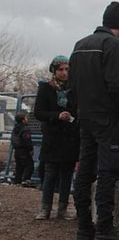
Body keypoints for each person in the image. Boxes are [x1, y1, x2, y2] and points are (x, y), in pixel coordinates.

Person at [67, 1, 119, 240]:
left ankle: (83, 227)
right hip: (107, 119)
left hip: (84, 117)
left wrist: (77, 110)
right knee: (108, 171)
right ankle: (105, 228)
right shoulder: (114, 45)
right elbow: (118, 85)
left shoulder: (79, 45)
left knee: (85, 170)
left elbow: (71, 86)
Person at [33, 55, 79, 220]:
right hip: (53, 137)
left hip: (70, 138)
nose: (64, 73)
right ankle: (45, 208)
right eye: (61, 69)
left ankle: (63, 208)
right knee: (50, 173)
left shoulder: (73, 88)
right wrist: (57, 115)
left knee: (67, 174)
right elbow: (39, 112)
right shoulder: (46, 88)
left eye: (67, 69)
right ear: (54, 70)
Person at [11, 112, 34, 186]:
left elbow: (13, 139)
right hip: (24, 150)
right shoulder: (25, 129)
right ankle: (26, 180)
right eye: (26, 118)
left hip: (17, 150)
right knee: (29, 165)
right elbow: (27, 140)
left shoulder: (15, 128)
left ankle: (17, 181)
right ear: (23, 120)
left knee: (19, 166)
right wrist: (30, 149)